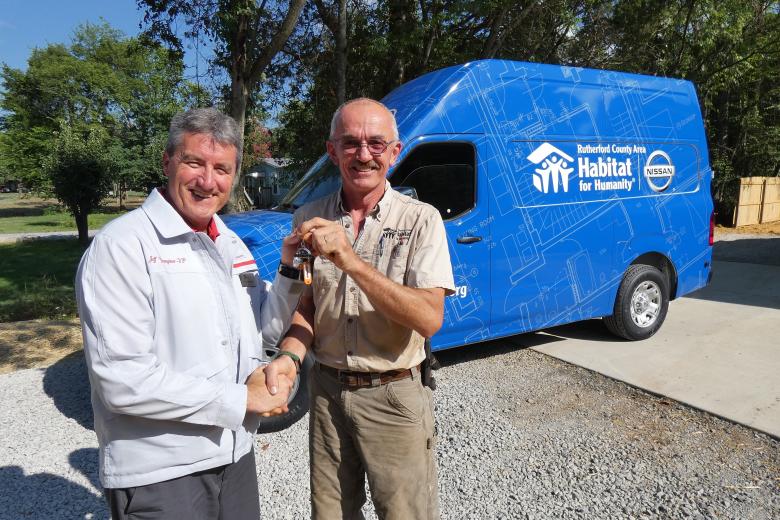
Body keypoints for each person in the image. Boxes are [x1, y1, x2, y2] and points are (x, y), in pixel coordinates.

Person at [76, 107, 304, 519]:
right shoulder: (123, 247)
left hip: (233, 454)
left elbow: (264, 333)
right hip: (162, 471)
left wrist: (289, 271)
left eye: (222, 168)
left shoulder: (226, 241)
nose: (207, 180)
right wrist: (241, 399)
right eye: (194, 162)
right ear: (167, 162)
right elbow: (122, 379)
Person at [264, 98, 455, 519]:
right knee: (330, 513)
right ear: (332, 151)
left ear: (394, 152)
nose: (363, 154)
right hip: (328, 394)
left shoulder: (421, 220)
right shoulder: (310, 217)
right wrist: (290, 358)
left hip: (393, 396)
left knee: (404, 513)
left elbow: (429, 318)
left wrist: (349, 260)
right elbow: (309, 306)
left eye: (375, 143)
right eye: (350, 143)